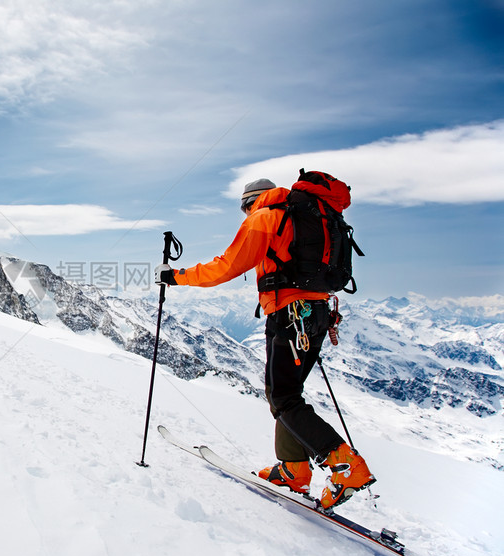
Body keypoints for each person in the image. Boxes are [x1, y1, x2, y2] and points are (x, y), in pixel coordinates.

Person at [154, 177, 375, 509]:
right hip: (317, 313)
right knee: (286, 396)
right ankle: (294, 469)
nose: (245, 213)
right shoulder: (309, 216)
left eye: (244, 206)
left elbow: (226, 266)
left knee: (284, 398)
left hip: (289, 315)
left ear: (251, 201)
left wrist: (176, 276)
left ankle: (344, 465)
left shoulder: (266, 216)